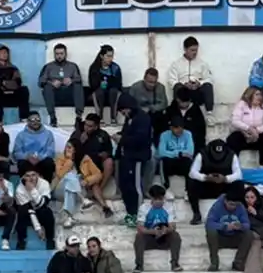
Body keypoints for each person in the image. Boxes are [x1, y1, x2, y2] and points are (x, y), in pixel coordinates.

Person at [113, 94, 152, 228]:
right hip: (126, 158)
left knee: (136, 187)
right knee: (125, 186)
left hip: (137, 158)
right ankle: (130, 213)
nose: (123, 113)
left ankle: (139, 215)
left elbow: (140, 139)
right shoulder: (130, 118)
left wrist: (121, 140)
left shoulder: (142, 118)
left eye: (124, 110)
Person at [187, 139, 243, 225]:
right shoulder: (202, 154)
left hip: (224, 187)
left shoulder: (232, 155)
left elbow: (238, 174)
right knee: (192, 182)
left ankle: (236, 214)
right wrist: (205, 177)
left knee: (239, 184)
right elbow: (192, 173)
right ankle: (196, 214)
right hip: (206, 186)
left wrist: (225, 178)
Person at [70, 113, 115, 219]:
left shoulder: (103, 135)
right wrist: (80, 143)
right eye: (86, 125)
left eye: (90, 126)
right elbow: (71, 153)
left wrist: (105, 154)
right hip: (85, 167)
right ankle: (105, 207)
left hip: (99, 164)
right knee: (94, 183)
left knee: (109, 162)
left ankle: (100, 187)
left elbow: (109, 151)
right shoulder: (77, 134)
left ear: (96, 126)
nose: (87, 127)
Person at [133, 185, 183, 273]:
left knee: (175, 236)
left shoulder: (169, 207)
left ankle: (175, 263)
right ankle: (139, 265)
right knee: (139, 237)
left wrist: (165, 230)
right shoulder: (144, 208)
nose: (158, 201)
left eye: (160, 199)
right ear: (151, 198)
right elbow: (140, 228)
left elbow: (172, 226)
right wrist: (153, 232)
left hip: (164, 237)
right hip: (150, 238)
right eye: (156, 199)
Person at [205, 182, 254, 272]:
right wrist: (224, 227)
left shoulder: (240, 207)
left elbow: (247, 224)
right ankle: (214, 263)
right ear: (225, 201)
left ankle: (238, 262)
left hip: (234, 237)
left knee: (249, 234)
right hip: (220, 238)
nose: (233, 207)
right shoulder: (217, 206)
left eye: (236, 205)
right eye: (231, 204)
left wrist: (240, 226)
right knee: (211, 231)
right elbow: (209, 223)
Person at [39, 43, 85, 128]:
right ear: (54, 54)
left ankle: (78, 117)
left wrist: (71, 80)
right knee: (47, 87)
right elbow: (41, 82)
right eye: (57, 54)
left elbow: (79, 79)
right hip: (55, 94)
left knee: (78, 86)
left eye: (61, 53)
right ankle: (53, 117)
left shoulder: (73, 66)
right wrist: (51, 82)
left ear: (65, 54)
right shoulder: (48, 67)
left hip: (69, 94)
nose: (59, 56)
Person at [167, 36, 214, 112]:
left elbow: (209, 78)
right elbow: (171, 80)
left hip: (197, 90)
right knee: (177, 86)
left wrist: (199, 83)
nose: (194, 52)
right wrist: (184, 84)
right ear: (185, 49)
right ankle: (177, 114)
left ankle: (209, 114)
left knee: (208, 85)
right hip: (183, 90)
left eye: (196, 50)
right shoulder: (176, 64)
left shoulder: (202, 64)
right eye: (192, 50)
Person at [227, 87, 263, 166]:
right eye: (257, 94)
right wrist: (249, 129)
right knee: (233, 139)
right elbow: (235, 121)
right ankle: (233, 165)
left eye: (261, 95)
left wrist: (256, 131)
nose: (259, 97)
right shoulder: (241, 104)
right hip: (243, 133)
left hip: (257, 135)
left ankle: (262, 164)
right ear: (250, 95)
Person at [52, 141, 92, 229]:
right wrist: (69, 161)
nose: (67, 149)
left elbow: (98, 175)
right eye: (66, 147)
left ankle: (69, 217)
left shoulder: (85, 159)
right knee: (69, 176)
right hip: (59, 188)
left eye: (70, 147)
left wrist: (87, 180)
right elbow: (59, 174)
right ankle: (83, 199)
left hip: (79, 188)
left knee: (70, 187)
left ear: (76, 150)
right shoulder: (60, 158)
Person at [14, 169, 56, 251]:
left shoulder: (44, 184)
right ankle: (21, 240)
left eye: (33, 175)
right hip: (28, 214)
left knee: (48, 212)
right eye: (28, 176)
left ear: (37, 175)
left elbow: (42, 204)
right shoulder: (20, 189)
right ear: (23, 177)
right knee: (22, 211)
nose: (31, 178)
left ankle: (50, 239)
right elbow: (29, 209)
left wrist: (32, 190)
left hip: (40, 210)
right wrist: (38, 228)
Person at [154, 116, 195, 196]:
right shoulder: (164, 135)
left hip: (182, 162)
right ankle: (167, 188)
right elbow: (161, 152)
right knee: (163, 161)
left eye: (181, 128)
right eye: (176, 128)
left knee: (189, 162)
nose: (179, 130)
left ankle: (188, 191)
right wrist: (179, 153)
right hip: (170, 162)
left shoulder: (188, 134)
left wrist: (172, 153)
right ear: (171, 128)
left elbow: (190, 152)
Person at [0, 44, 30, 119]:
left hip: (13, 96)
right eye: (2, 53)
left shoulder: (14, 68)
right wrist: (5, 85)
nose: (4, 54)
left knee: (24, 90)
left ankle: (24, 117)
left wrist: (4, 83)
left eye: (6, 53)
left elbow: (17, 83)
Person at [12, 111, 58, 182]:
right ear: (28, 122)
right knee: (21, 164)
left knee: (49, 162)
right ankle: (27, 188)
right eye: (33, 120)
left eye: (37, 119)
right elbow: (17, 152)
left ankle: (46, 188)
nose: (35, 122)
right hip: (27, 160)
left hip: (42, 160)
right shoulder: (21, 135)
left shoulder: (48, 134)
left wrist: (40, 157)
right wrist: (27, 157)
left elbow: (50, 151)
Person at [128, 67, 169, 142]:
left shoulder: (161, 87)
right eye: (150, 82)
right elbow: (129, 103)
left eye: (154, 82)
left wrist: (151, 108)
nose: (152, 85)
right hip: (138, 113)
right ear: (144, 79)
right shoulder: (135, 87)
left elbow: (164, 104)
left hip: (154, 114)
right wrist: (140, 110)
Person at [88, 45, 124, 125]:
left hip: (112, 92)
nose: (110, 59)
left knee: (113, 91)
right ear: (101, 56)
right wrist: (100, 84)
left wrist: (108, 83)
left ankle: (113, 117)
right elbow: (92, 85)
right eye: (108, 56)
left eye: (112, 56)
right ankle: (100, 118)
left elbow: (118, 84)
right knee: (99, 92)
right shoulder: (94, 68)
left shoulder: (115, 68)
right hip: (99, 92)